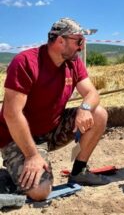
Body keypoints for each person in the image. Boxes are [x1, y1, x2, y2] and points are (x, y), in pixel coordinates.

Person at [0, 18, 110, 201]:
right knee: (40, 191)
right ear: (61, 41)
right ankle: (7, 176)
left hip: (51, 130)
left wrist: (84, 107)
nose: (81, 47)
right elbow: (11, 114)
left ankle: (79, 171)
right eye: (78, 41)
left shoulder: (72, 62)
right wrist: (32, 155)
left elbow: (92, 93)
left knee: (98, 113)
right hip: (17, 138)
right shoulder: (26, 62)